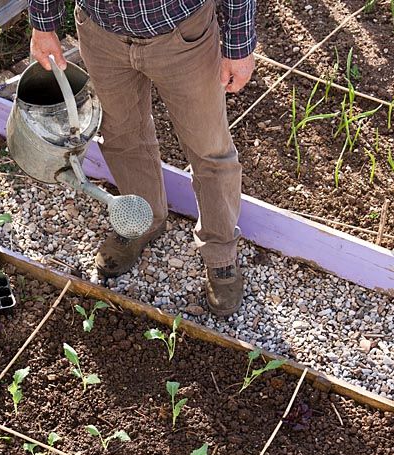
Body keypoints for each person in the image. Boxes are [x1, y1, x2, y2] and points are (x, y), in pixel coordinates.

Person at [27, 0, 256, 316]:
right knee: (122, 136)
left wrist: (239, 46)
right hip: (100, 31)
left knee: (209, 148)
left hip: (181, 33)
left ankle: (220, 253)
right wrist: (43, 23)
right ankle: (143, 220)